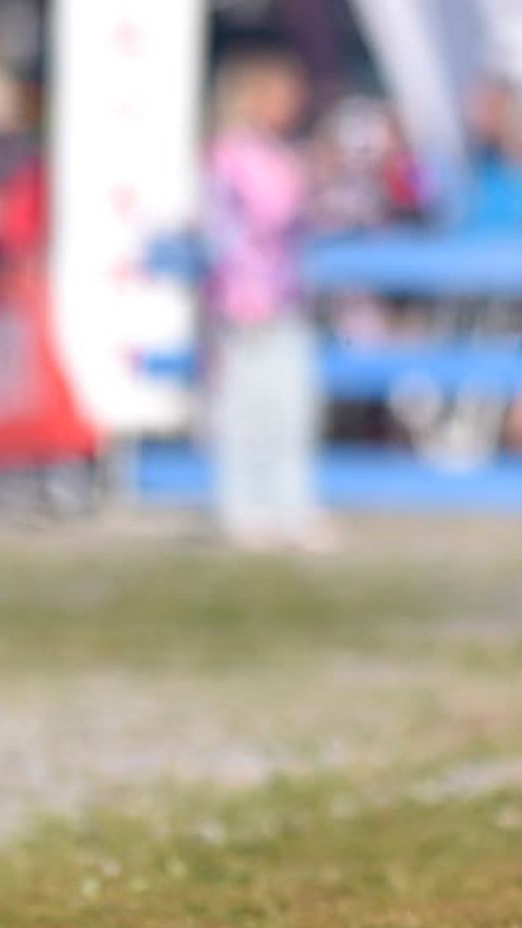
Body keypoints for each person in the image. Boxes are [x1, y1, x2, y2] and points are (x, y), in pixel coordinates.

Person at [201, 48, 326, 551]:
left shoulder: (273, 153)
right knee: (248, 409)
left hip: (283, 296)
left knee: (291, 408)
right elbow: (269, 216)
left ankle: (288, 509)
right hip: (245, 301)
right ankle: (245, 511)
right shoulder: (234, 155)